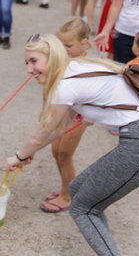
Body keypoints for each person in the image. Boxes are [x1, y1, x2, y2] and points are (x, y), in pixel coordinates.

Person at [5, 34, 139, 256]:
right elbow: (58, 128)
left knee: (82, 209)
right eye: (27, 63)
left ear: (53, 57)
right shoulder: (76, 68)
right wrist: (31, 152)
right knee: (76, 191)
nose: (29, 69)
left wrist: (18, 157)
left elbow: (39, 135)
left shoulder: (65, 85)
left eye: (34, 61)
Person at [39, 18, 93, 214]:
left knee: (65, 154)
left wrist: (91, 114)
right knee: (55, 152)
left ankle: (67, 196)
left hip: (79, 116)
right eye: (61, 44)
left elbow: (95, 90)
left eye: (69, 45)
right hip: (63, 113)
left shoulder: (88, 64)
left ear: (85, 42)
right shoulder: (64, 60)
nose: (64, 49)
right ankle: (65, 188)